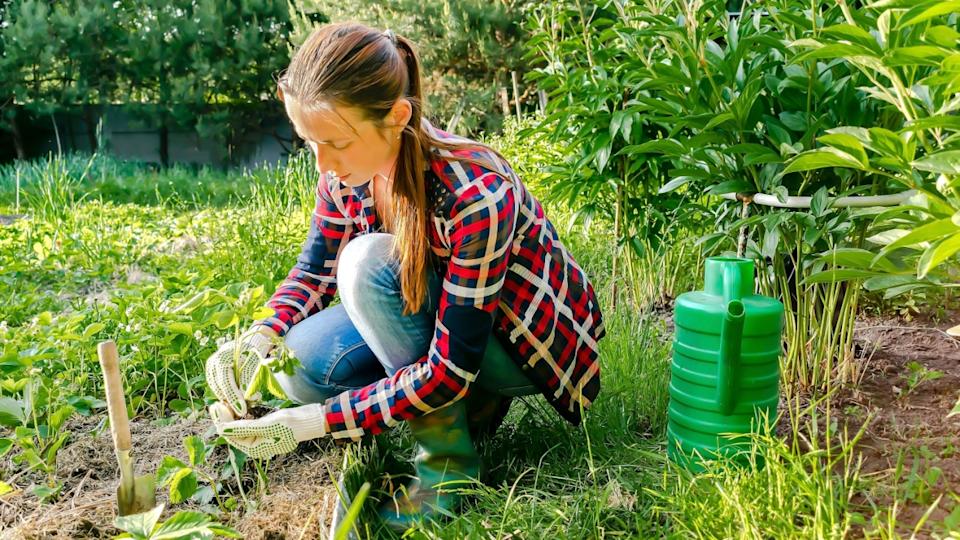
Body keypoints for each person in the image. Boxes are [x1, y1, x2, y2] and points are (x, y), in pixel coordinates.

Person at [204, 22, 605, 530]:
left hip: (516, 346)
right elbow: (313, 270)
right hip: (438, 319)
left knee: (366, 265)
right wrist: (259, 336)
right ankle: (446, 409)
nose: (324, 164)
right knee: (295, 366)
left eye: (336, 143)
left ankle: (448, 467)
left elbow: (452, 367)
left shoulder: (475, 193)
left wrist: (320, 422)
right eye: (309, 143)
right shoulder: (343, 173)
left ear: (397, 117)